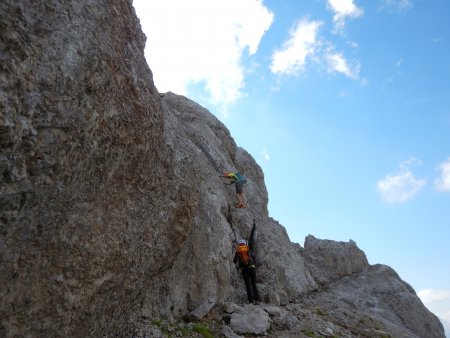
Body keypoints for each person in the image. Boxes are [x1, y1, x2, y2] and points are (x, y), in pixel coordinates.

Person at [233, 239, 261, 304]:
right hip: (252, 267)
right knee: (253, 284)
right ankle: (257, 300)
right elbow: (253, 257)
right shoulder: (248, 248)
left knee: (248, 284)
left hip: (245, 268)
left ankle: (251, 300)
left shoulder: (238, 250)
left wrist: (238, 264)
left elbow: (234, 261)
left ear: (239, 244)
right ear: (245, 243)